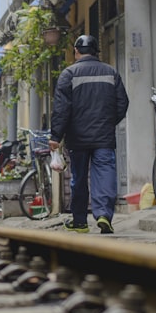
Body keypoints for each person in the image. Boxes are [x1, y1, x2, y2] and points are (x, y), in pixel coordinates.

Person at [49, 34, 129, 234]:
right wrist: (109, 122)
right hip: (104, 136)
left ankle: (80, 221)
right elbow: (122, 104)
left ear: (76, 51)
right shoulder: (111, 72)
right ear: (95, 52)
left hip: (78, 138)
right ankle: (104, 215)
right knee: (105, 174)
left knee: (79, 177)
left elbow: (61, 109)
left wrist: (56, 136)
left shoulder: (69, 74)